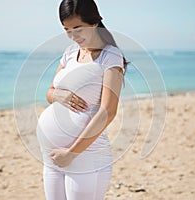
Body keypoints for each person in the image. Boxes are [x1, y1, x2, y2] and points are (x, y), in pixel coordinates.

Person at [36, 0, 128, 199]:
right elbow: (50, 92)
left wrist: (71, 153)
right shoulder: (70, 53)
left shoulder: (110, 57)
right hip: (52, 157)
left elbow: (108, 111)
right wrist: (60, 94)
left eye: (78, 28)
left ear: (94, 22)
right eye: (67, 30)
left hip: (85, 156)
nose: (73, 36)